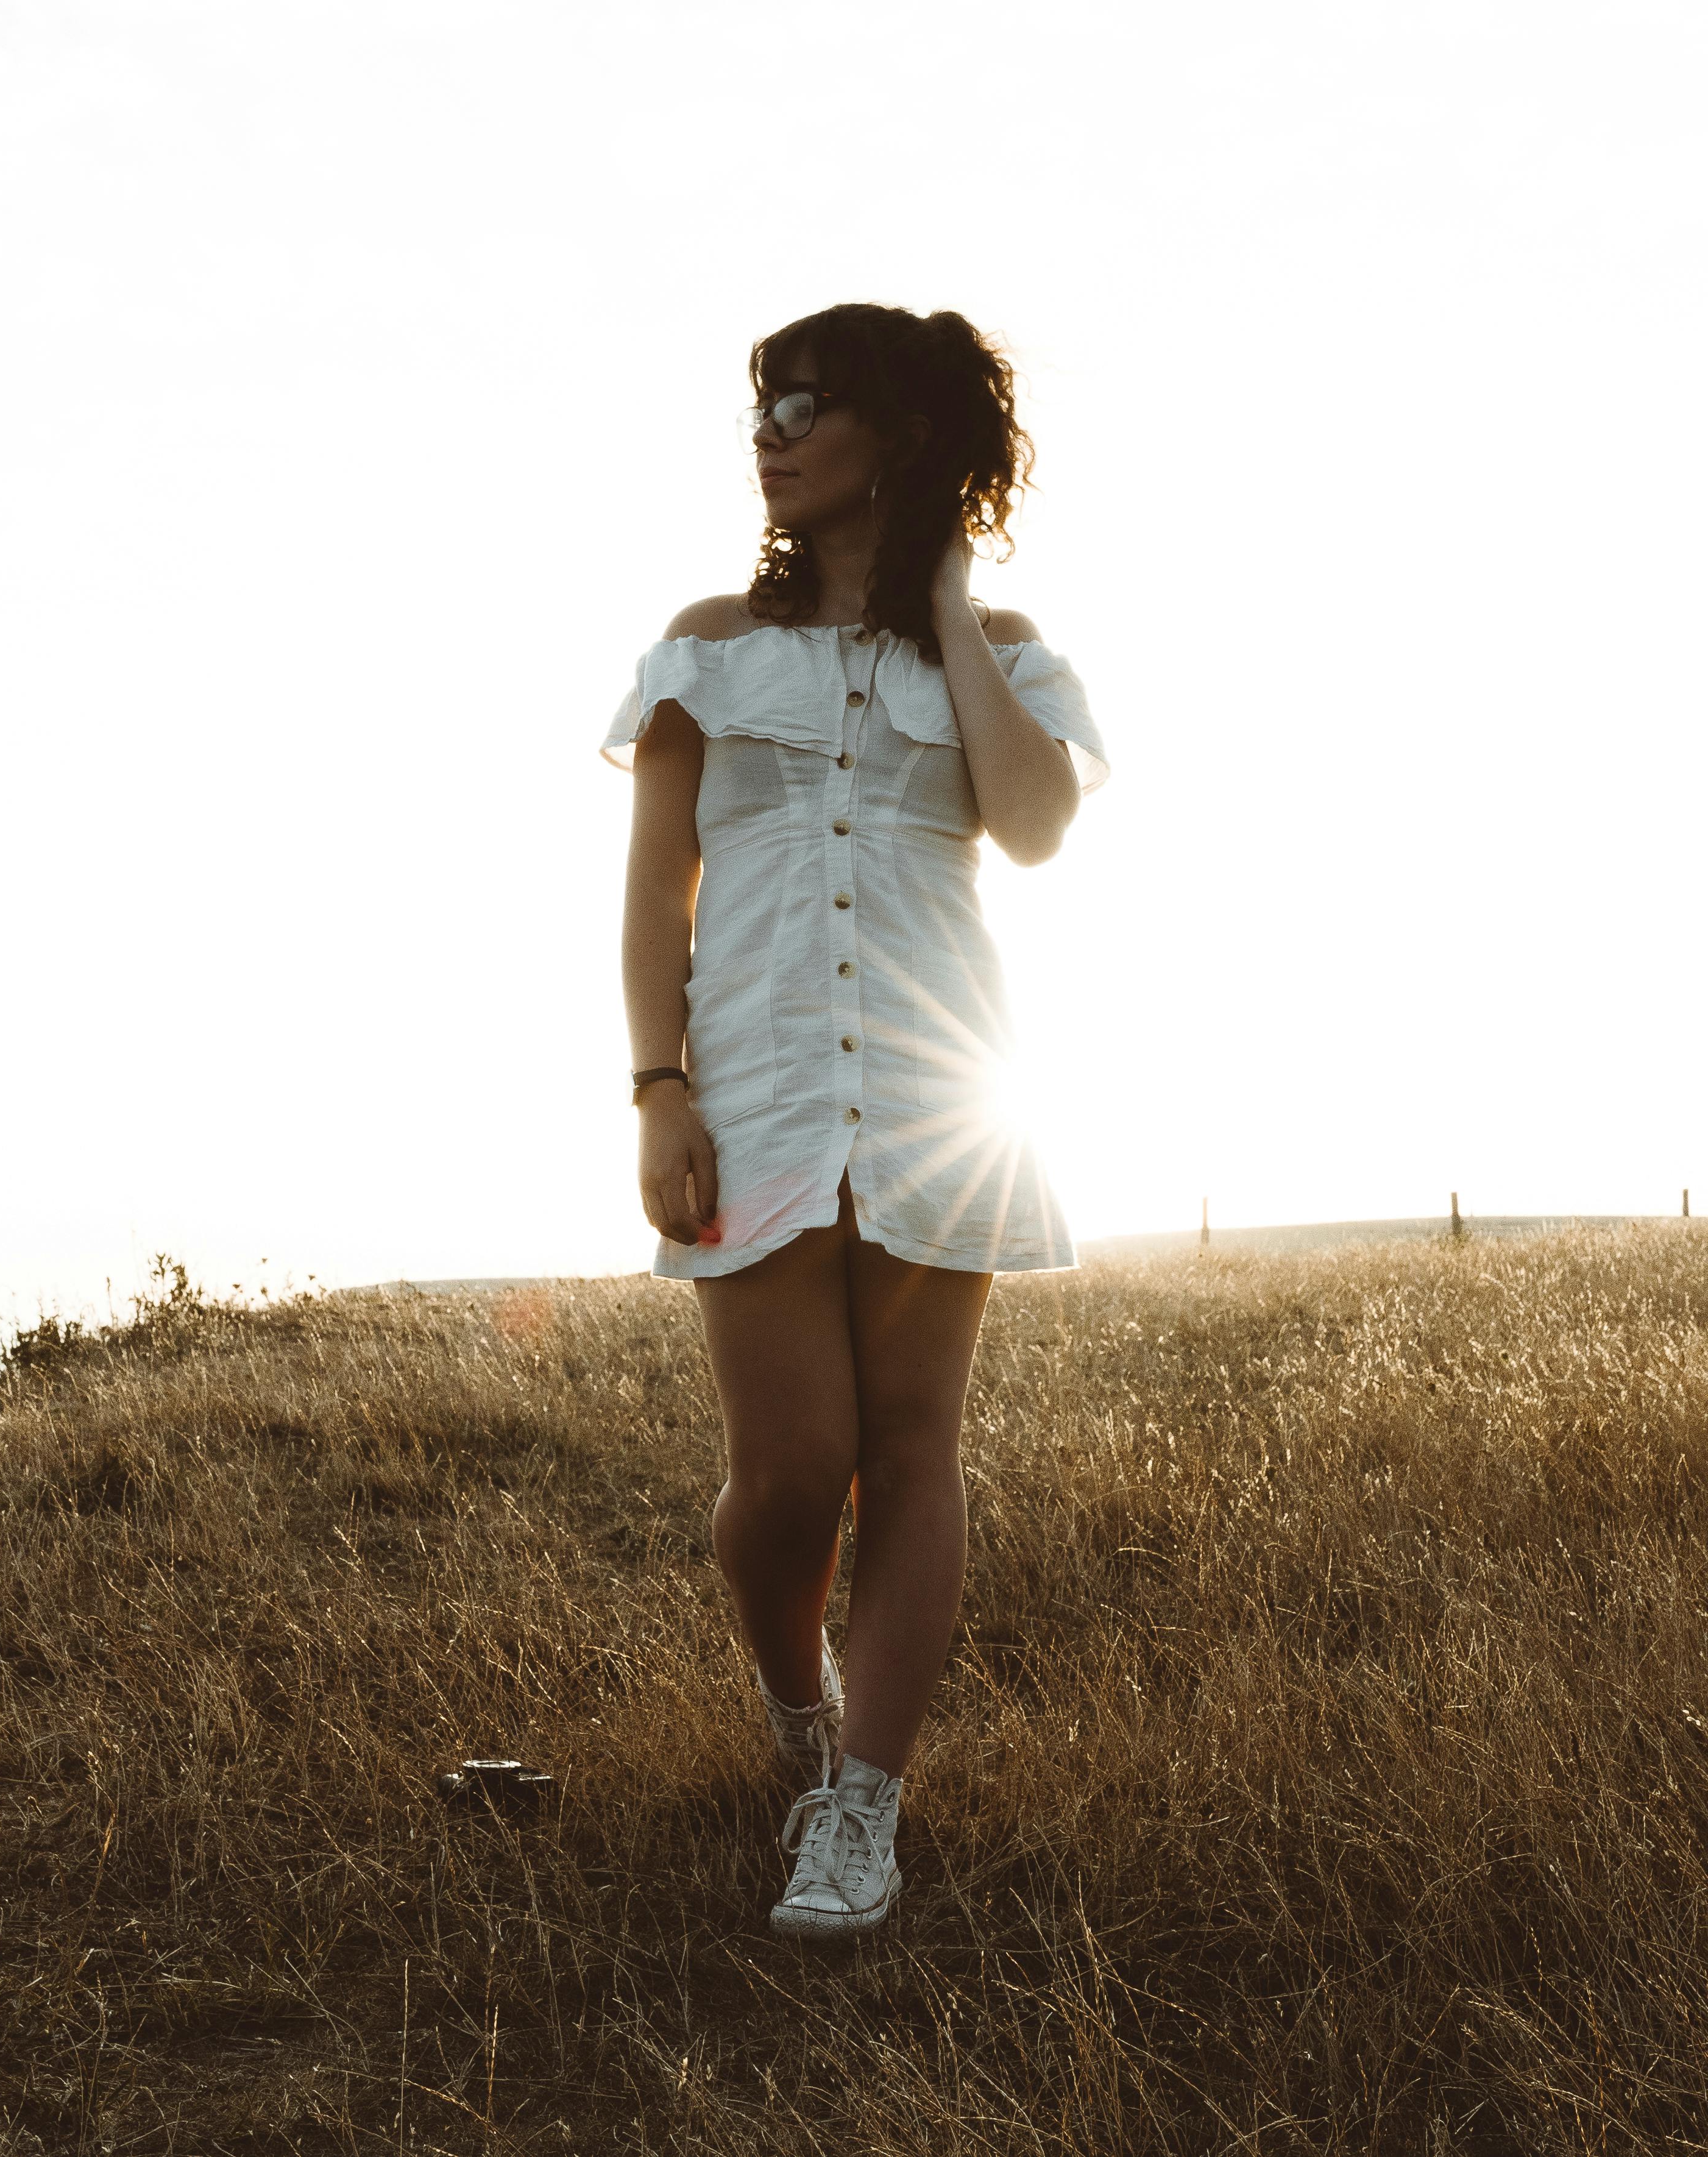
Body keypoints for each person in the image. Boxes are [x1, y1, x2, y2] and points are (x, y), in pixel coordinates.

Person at [601, 302, 1108, 1938]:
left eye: (810, 402)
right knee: (792, 1465)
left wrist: (946, 595)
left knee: (910, 1449)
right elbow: (651, 891)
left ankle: (863, 1809)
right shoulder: (706, 645)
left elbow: (1031, 830)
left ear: (898, 436)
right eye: (766, 402)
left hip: (938, 1091)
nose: (773, 428)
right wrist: (657, 1086)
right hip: (747, 1088)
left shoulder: (1002, 652)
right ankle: (794, 1701)